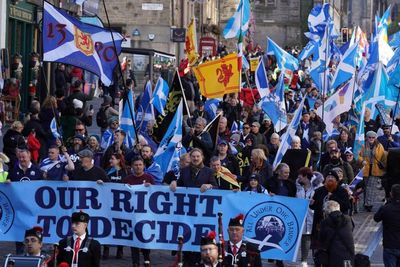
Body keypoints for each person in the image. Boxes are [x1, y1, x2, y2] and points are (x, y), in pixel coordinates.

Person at [310, 171, 350, 257]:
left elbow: (346, 206)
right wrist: (312, 204)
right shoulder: (318, 191)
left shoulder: (342, 191)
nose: (330, 179)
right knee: (319, 249)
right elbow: (314, 207)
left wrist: (333, 197)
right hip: (320, 224)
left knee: (333, 248)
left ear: (337, 181)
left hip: (336, 225)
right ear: (325, 180)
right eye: (328, 177)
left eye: (333, 178)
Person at [122, 156, 153, 267]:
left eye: (140, 165)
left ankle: (146, 258)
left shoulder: (149, 178)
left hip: (145, 213)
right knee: (133, 237)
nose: (138, 167)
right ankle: (135, 261)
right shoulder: (127, 179)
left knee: (145, 235)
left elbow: (155, 194)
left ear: (144, 166)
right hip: (131, 213)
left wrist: (151, 187)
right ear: (132, 167)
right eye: (136, 165)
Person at [318, 200, 355, 267]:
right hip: (348, 254)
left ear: (327, 211)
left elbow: (321, 239)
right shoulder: (348, 219)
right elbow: (351, 230)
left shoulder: (325, 222)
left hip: (332, 256)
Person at [358, 130, 387, 212]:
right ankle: (366, 202)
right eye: (369, 137)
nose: (371, 139)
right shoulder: (363, 145)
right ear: (367, 138)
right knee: (366, 187)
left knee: (371, 187)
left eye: (373, 137)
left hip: (375, 169)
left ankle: (369, 204)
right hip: (365, 169)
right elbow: (358, 155)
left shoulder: (379, 146)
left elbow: (382, 156)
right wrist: (361, 161)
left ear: (375, 138)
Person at [374, 184, 400, 267]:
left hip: (390, 245)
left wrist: (386, 203)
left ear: (391, 194)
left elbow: (376, 218)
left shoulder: (386, 208)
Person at [296, 167, 315, 267]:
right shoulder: (297, 187)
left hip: (312, 216)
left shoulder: (316, 188)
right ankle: (303, 260)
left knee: (312, 239)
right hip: (300, 217)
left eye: (300, 177)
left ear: (306, 177)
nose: (298, 178)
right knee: (304, 238)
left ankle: (316, 259)